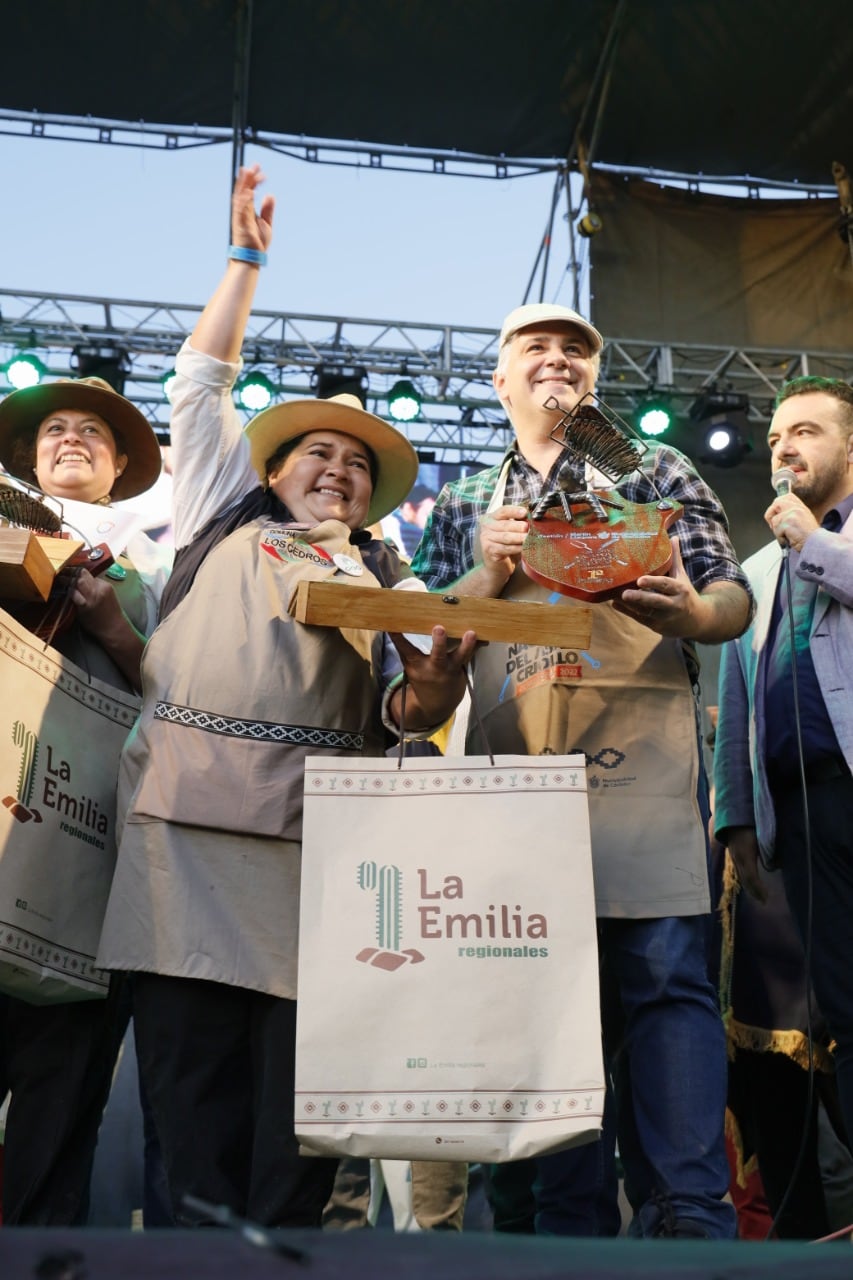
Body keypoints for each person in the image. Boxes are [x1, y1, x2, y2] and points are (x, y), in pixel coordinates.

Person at [95, 165, 477, 1231]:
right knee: (187, 1113)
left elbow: (409, 716)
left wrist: (436, 679)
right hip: (186, 845)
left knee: (296, 1137)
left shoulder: (388, 577)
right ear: (276, 464)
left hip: (318, 861)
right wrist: (245, 262)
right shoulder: (222, 503)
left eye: (359, 464)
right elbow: (200, 381)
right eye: (320, 449)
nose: (339, 469)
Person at [411, 301, 753, 1239]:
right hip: (517, 773)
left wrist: (686, 610)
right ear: (501, 379)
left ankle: (687, 1217)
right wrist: (484, 572)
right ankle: (566, 1238)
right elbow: (426, 641)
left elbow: (729, 600)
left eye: (575, 350)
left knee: (665, 979)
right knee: (543, 993)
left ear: (592, 380)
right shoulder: (462, 498)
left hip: (640, 760)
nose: (557, 360)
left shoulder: (654, 469)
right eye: (536, 348)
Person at [0, 375, 164, 1224]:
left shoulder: (161, 561)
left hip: (91, 848)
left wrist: (112, 626)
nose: (71, 440)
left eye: (93, 434)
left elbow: (182, 700)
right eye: (54, 429)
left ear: (123, 465)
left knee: (62, 1107)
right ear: (27, 456)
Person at [714, 375, 853, 1155]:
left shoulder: (807, 541)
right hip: (799, 814)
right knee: (840, 1004)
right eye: (773, 438)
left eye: (803, 430)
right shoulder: (758, 565)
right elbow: (736, 694)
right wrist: (735, 813)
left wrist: (813, 540)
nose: (782, 448)